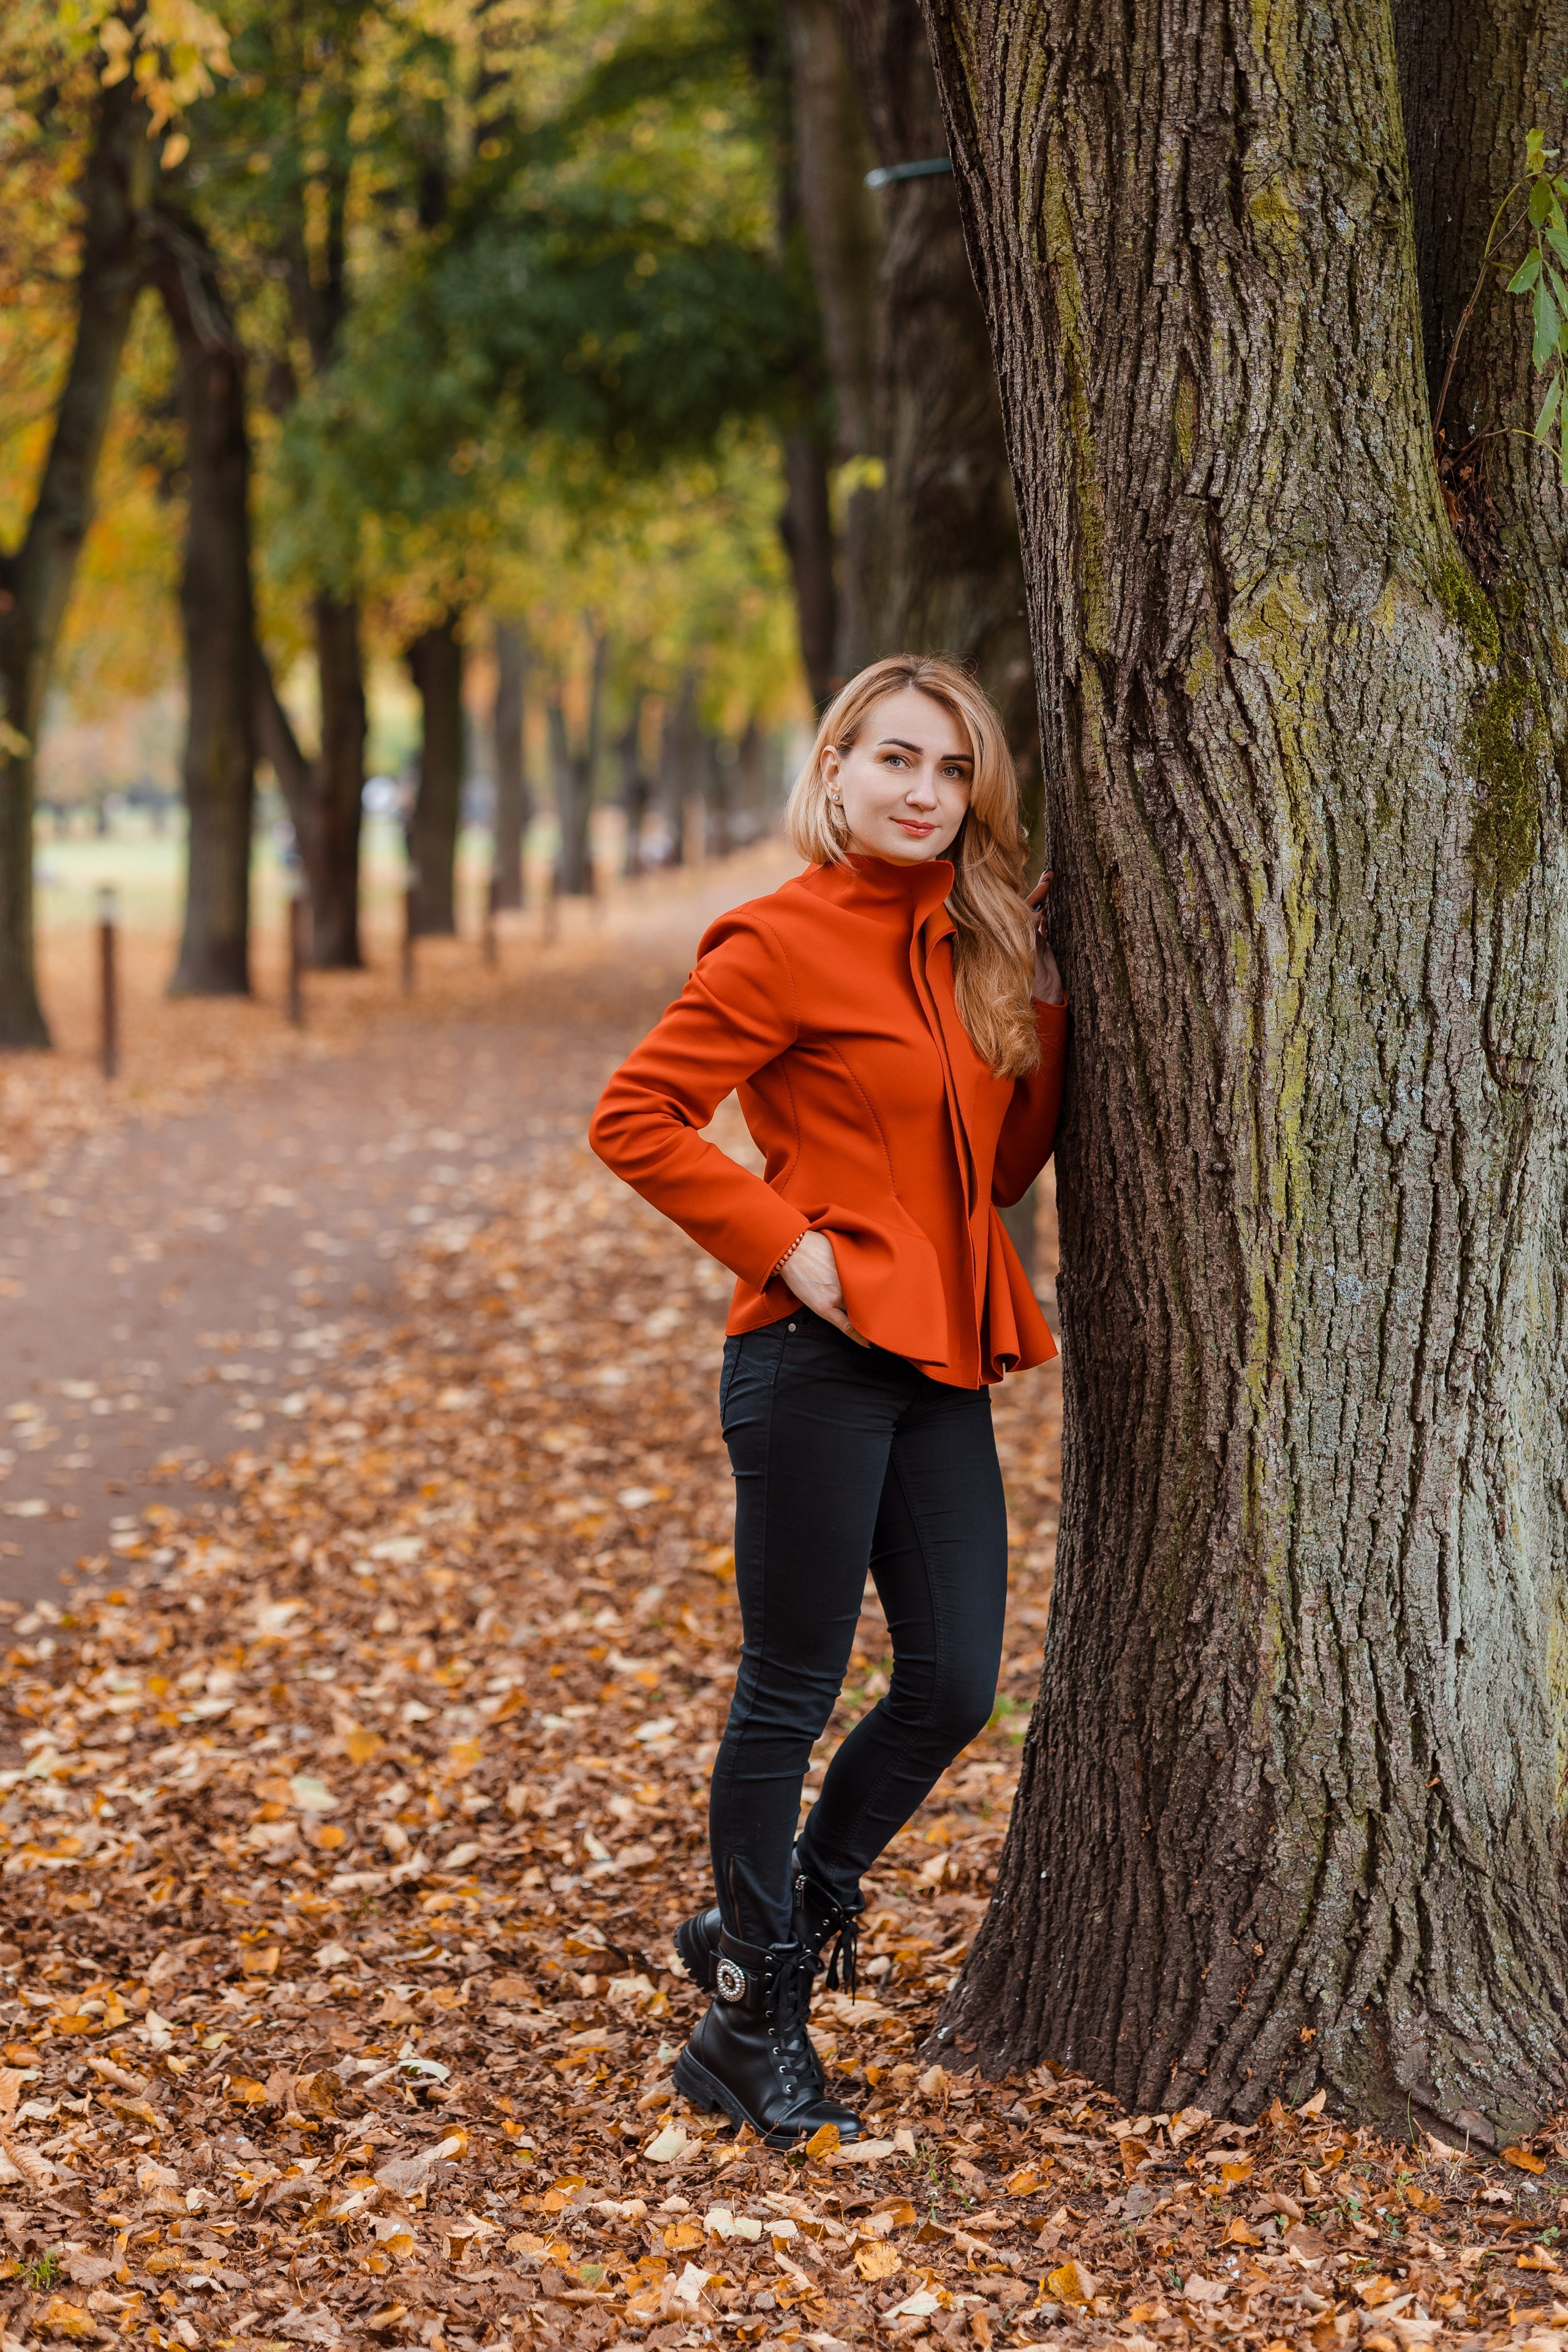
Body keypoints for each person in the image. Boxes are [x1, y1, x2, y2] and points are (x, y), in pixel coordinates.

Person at [588, 654, 1068, 2146]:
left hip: (935, 1358)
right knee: (789, 1689)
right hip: (809, 1361)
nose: (923, 794)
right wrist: (787, 1247)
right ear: (838, 770)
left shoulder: (971, 947)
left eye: (949, 772)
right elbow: (633, 1115)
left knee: (952, 1686)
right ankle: (751, 2024)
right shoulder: (781, 939)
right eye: (895, 762)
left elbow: (990, 1170)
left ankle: (773, 1919)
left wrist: (1038, 1005)